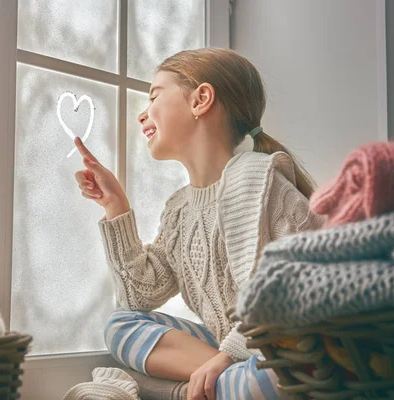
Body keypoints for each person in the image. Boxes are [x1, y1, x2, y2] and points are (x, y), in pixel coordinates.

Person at [72, 48, 324, 400]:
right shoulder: (179, 209)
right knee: (120, 326)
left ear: (201, 100)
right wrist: (115, 206)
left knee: (275, 379)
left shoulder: (264, 186)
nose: (143, 114)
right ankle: (214, 386)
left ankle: (184, 390)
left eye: (155, 95)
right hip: (234, 354)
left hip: (287, 352)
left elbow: (288, 304)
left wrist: (227, 356)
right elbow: (137, 296)